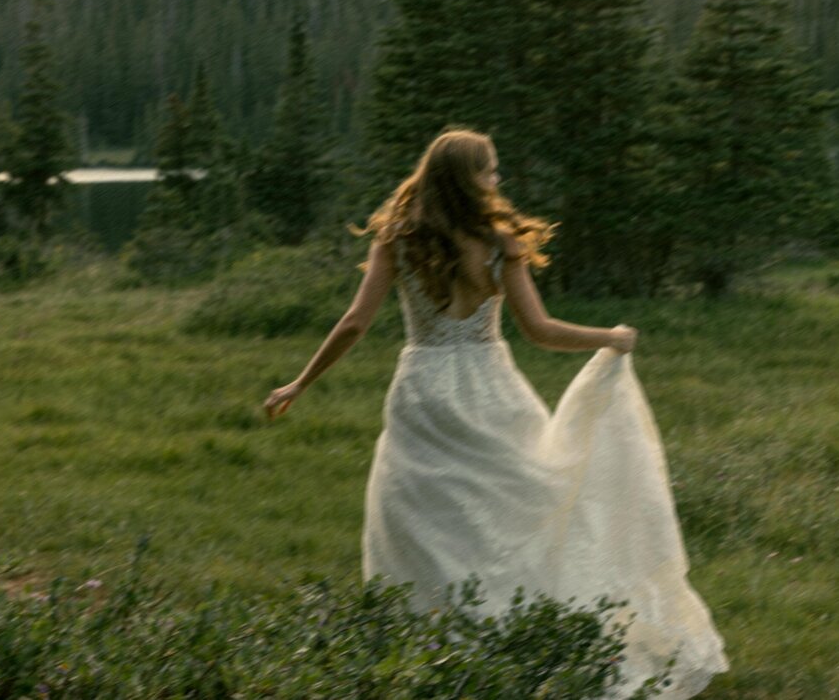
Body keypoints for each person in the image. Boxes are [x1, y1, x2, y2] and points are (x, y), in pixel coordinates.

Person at [264, 129, 728, 697]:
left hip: (423, 391)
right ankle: (519, 644)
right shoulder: (498, 241)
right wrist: (610, 336)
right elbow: (540, 330)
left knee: (425, 522)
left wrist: (301, 381)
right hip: (491, 386)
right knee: (517, 509)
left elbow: (355, 323)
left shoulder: (396, 239)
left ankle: (432, 657)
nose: (496, 180)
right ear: (467, 178)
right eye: (489, 171)